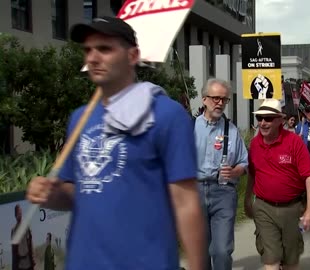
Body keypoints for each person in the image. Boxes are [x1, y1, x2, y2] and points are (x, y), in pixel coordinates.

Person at [25, 16, 205, 270]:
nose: (93, 57)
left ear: (133, 56)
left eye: (105, 49)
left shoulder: (166, 115)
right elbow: (78, 192)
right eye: (88, 50)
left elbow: (186, 203)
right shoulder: (79, 118)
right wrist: (52, 194)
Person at [244, 99, 310, 270]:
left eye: (268, 118)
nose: (263, 123)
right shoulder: (255, 144)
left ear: (280, 120)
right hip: (263, 208)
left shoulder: (294, 142)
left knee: (291, 261)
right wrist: (247, 199)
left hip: (292, 208)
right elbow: (252, 174)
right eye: (260, 118)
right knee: (271, 258)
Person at [194, 78, 248, 270]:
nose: (220, 103)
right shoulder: (190, 127)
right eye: (216, 98)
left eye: (224, 100)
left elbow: (244, 162)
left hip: (223, 192)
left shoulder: (232, 130)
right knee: (200, 250)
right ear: (204, 99)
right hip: (195, 191)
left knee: (222, 250)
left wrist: (235, 171)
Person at [11, 205, 35, 270]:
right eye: (18, 213)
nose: (20, 214)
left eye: (21, 212)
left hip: (28, 261)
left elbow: (30, 243)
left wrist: (33, 258)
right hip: (20, 264)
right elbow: (14, 250)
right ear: (15, 215)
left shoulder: (26, 226)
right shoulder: (14, 230)